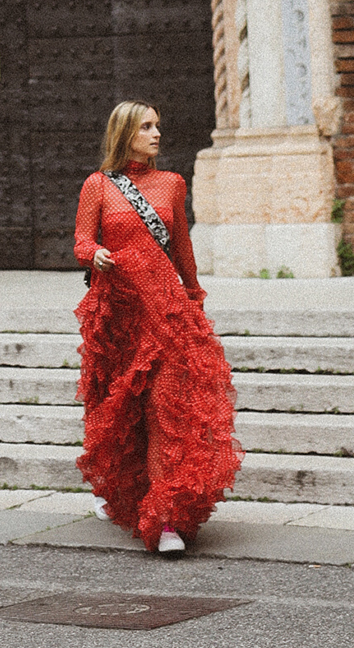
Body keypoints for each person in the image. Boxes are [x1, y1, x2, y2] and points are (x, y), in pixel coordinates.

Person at [73, 100, 242, 556]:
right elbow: (82, 240)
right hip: (120, 315)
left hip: (165, 312)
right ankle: (116, 490)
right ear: (124, 132)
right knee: (119, 412)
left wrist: (195, 299)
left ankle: (164, 518)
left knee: (166, 409)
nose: (156, 134)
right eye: (146, 127)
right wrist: (95, 255)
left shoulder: (171, 184)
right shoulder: (98, 186)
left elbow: (182, 246)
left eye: (157, 126)